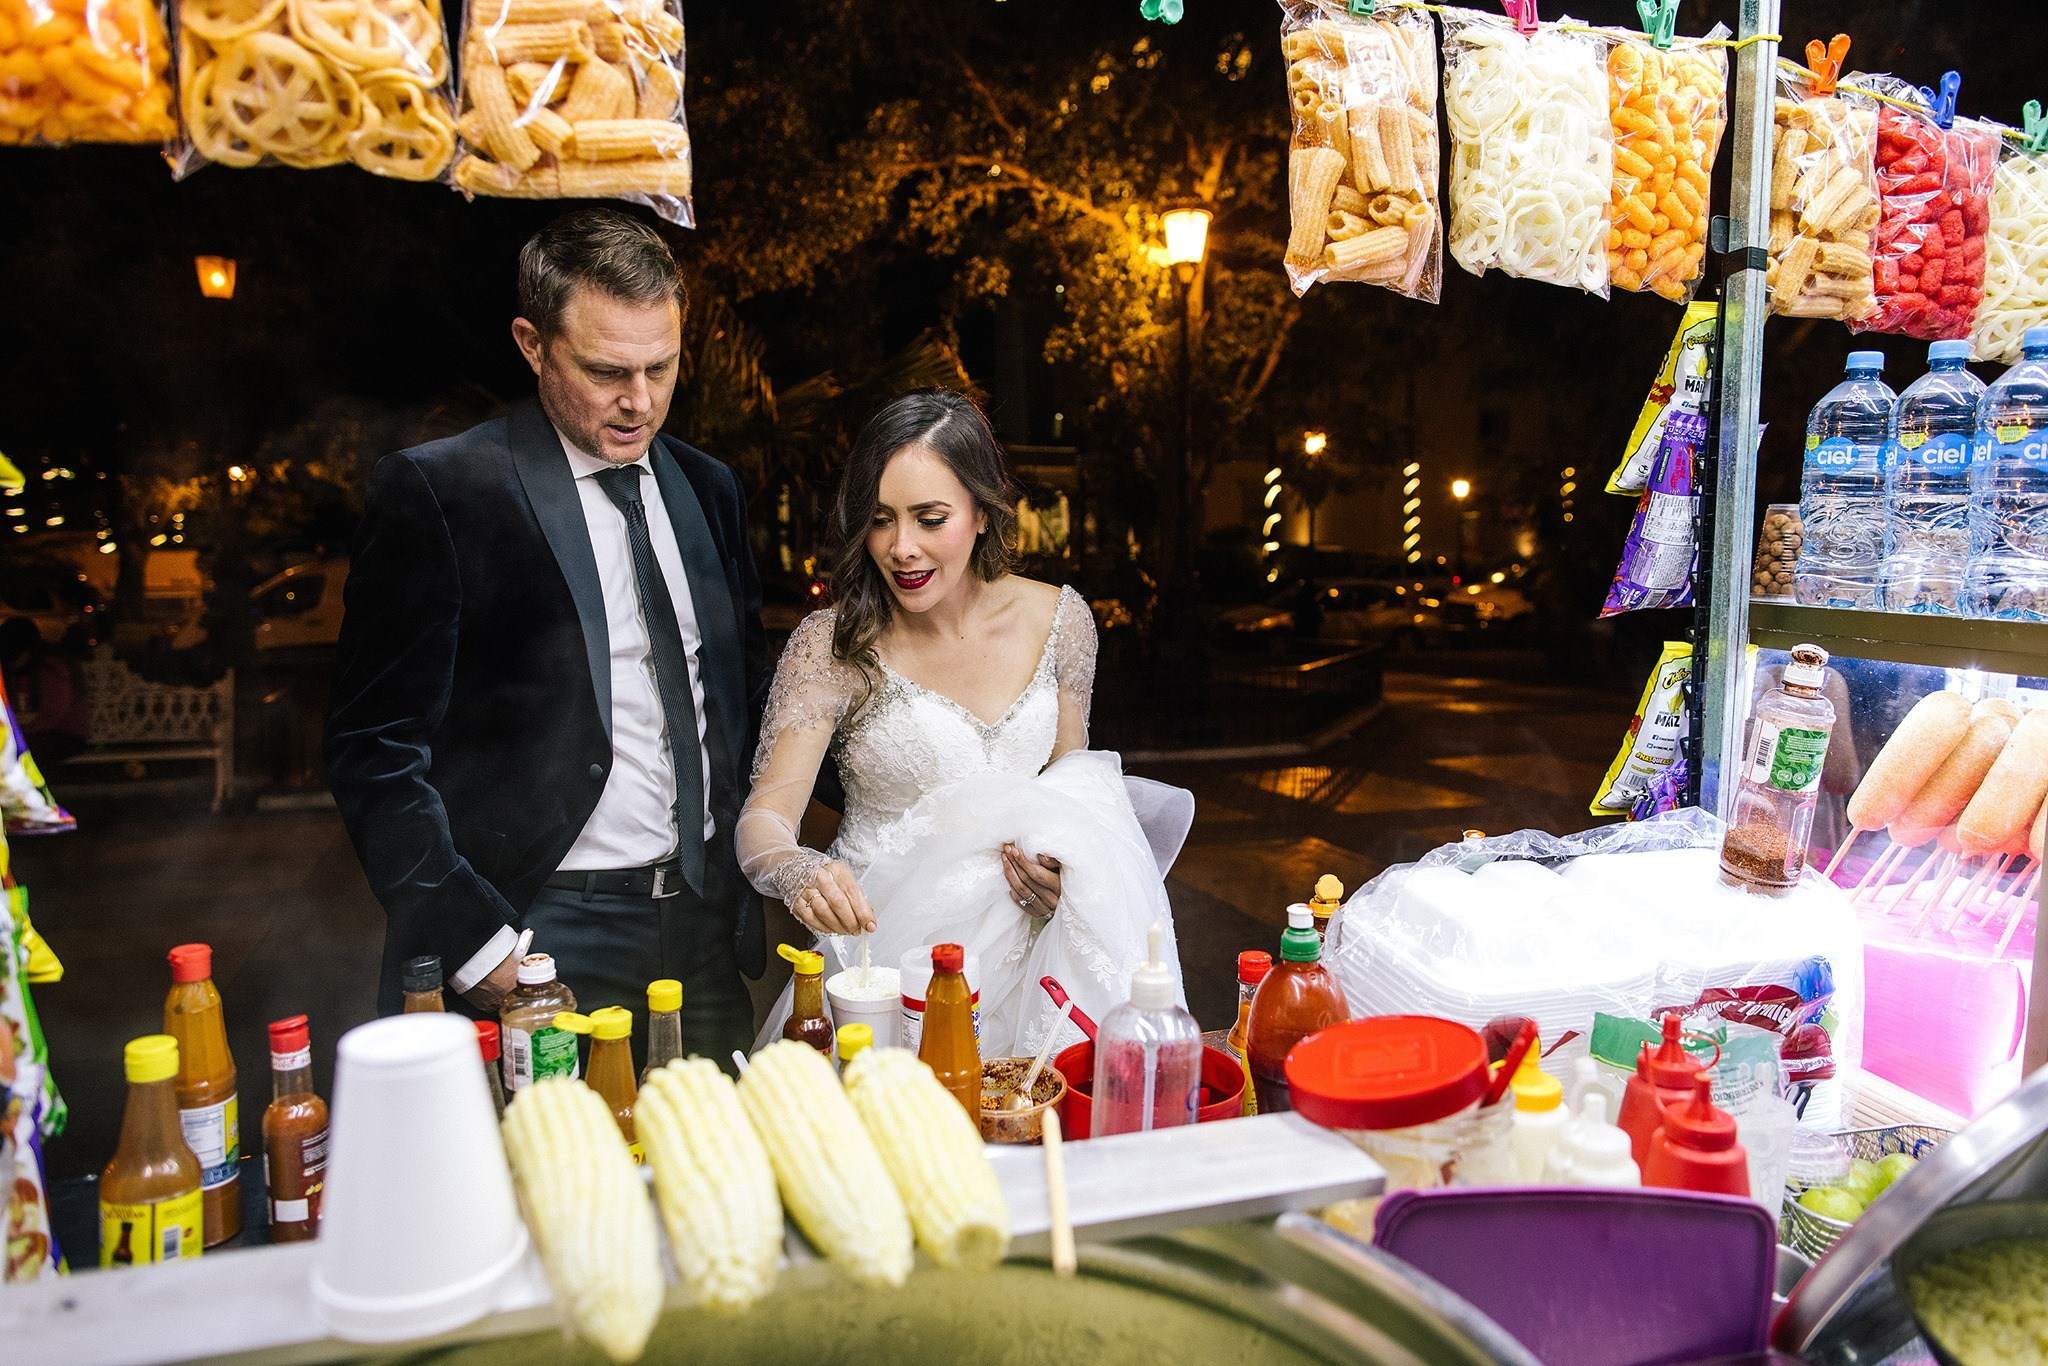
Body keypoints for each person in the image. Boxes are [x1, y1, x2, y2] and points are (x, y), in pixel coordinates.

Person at [326, 209, 767, 1067]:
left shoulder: (710, 489)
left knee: (714, 1151)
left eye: (661, 367)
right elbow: (372, 752)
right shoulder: (441, 492)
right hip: (539, 931)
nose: (640, 401)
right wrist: (477, 945)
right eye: (605, 371)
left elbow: (747, 698)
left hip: (704, 933)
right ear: (533, 345)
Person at [736, 389, 1194, 1058]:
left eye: (930, 519)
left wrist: (1064, 878)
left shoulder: (1060, 622)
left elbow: (1076, 798)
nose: (902, 548)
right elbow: (762, 824)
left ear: (982, 512)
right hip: (887, 967)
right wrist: (798, 870)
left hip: (1038, 975)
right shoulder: (832, 646)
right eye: (881, 520)